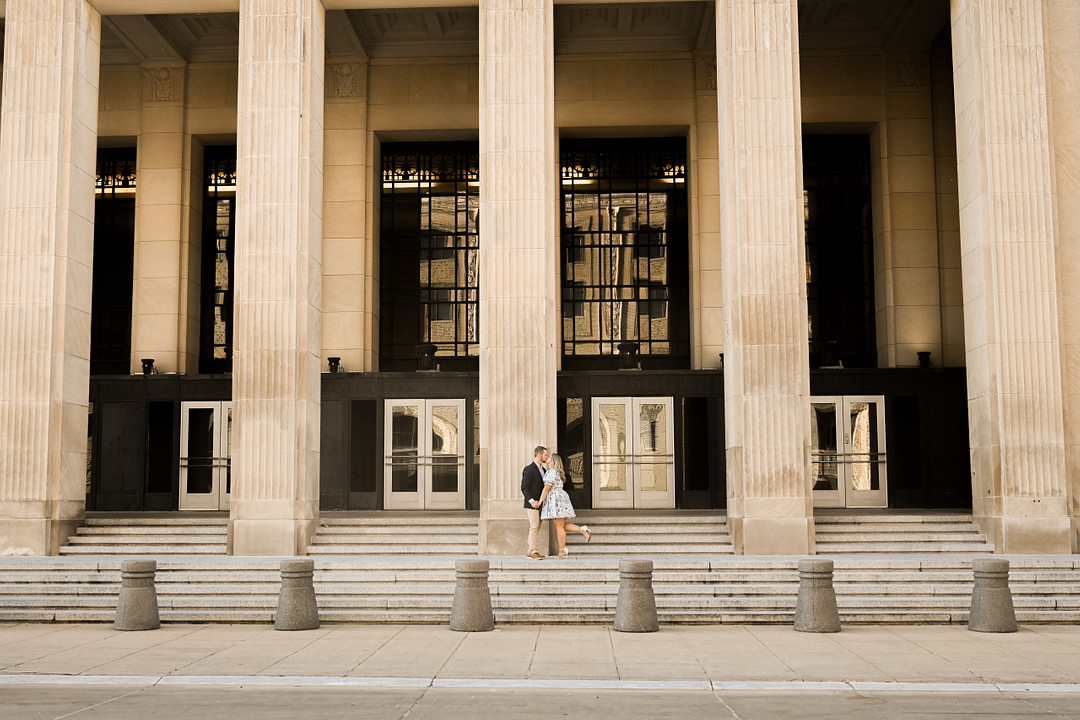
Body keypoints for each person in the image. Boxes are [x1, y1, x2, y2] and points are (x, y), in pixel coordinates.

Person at [536, 452, 591, 559]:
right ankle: (582, 530)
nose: (547, 458)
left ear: (553, 461)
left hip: (556, 499)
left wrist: (540, 501)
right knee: (561, 525)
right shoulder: (556, 472)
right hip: (559, 498)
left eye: (549, 457)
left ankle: (562, 550)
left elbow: (547, 488)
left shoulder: (552, 472)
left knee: (559, 526)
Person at [521, 445, 549, 559]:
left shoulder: (544, 470)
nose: (547, 457)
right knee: (534, 527)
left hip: (541, 504)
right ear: (539, 455)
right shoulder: (529, 469)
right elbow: (524, 487)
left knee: (536, 527)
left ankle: (531, 551)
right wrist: (532, 501)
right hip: (532, 504)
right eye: (545, 455)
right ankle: (533, 551)